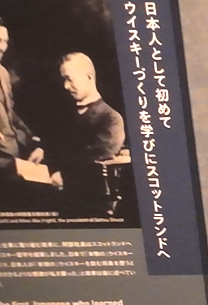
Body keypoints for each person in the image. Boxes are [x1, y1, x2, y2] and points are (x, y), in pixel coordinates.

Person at [52, 52, 125, 214]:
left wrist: (63, 175)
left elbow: (97, 158)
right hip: (63, 202)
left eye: (70, 79)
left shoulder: (111, 118)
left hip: (94, 205)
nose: (66, 86)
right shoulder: (67, 115)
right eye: (64, 80)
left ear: (89, 77)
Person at [0, 16, 47, 188]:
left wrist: (34, 143)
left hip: (15, 160)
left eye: (5, 41)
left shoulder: (3, 74)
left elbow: (11, 115)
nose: (2, 47)